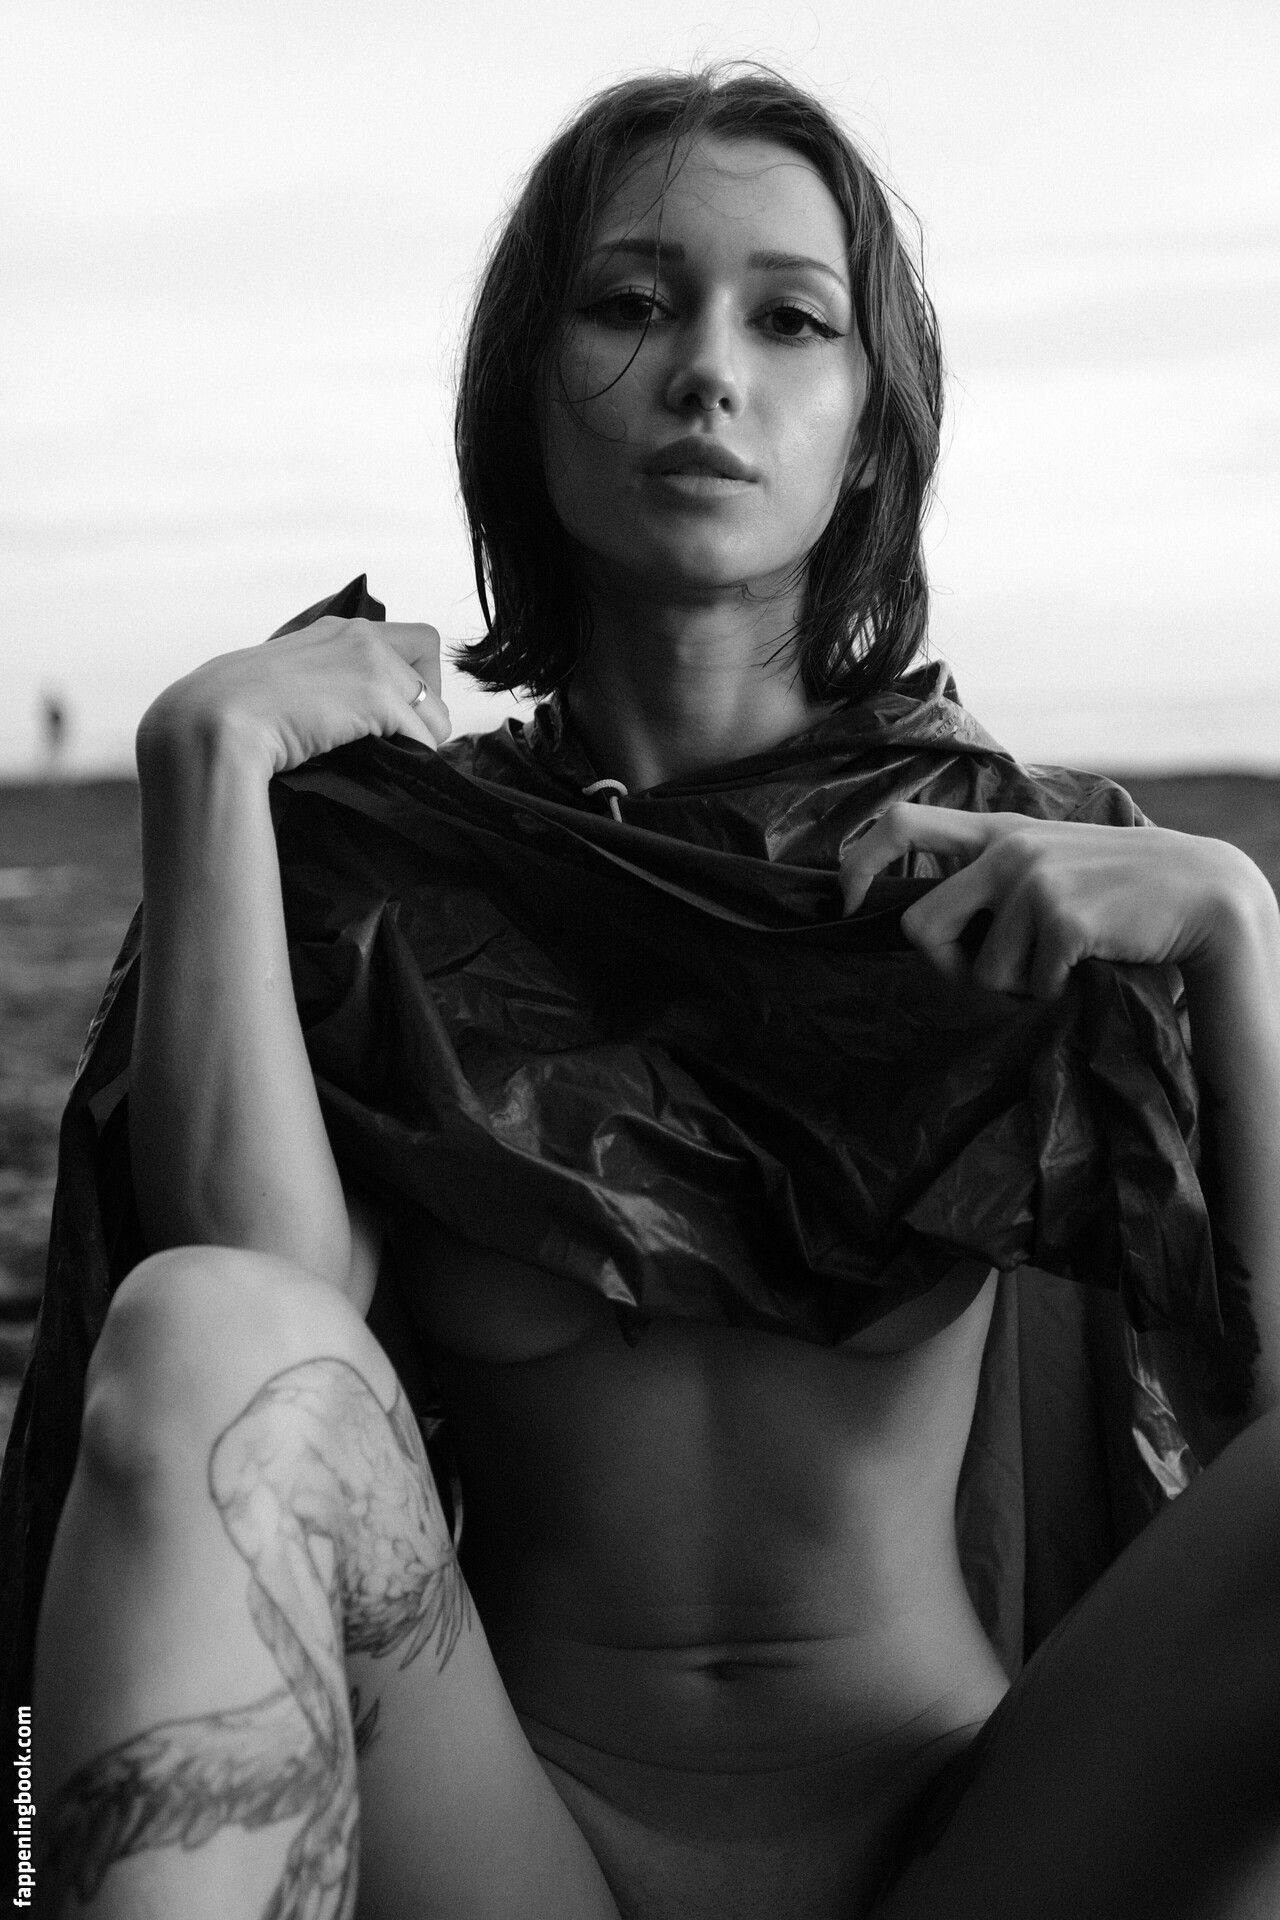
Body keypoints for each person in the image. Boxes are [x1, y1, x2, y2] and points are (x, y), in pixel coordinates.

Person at [26, 66, 1280, 1920]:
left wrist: (1236, 933)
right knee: (195, 1321)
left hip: (975, 1847)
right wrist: (203, 770)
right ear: (523, 388)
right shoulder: (387, 865)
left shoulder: (1027, 873)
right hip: (516, 1850)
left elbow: (1256, 1440)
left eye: (792, 320)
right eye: (630, 302)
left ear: (872, 426)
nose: (707, 371)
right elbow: (259, 1363)